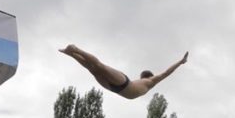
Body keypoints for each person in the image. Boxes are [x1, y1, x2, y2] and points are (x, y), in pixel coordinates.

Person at [60, 45, 188, 99]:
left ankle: (72, 53)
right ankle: (75, 50)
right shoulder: (151, 81)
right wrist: (180, 62)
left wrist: (180, 62)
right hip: (119, 88)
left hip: (122, 86)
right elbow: (166, 72)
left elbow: (166, 72)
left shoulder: (147, 81)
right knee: (96, 69)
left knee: (96, 68)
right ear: (150, 76)